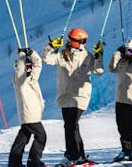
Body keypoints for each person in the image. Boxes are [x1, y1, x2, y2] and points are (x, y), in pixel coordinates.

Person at [44, 28, 104, 166]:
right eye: (82, 41)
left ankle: (72, 156)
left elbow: (98, 71)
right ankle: (79, 155)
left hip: (80, 95)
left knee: (70, 126)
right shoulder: (61, 55)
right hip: (65, 96)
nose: (84, 43)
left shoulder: (88, 56)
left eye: (85, 41)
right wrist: (51, 46)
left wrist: (99, 56)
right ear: (74, 42)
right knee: (73, 126)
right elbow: (46, 58)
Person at [8, 48, 48, 167]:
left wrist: (32, 54)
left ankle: (14, 163)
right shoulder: (20, 80)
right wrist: (21, 55)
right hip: (29, 114)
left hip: (32, 114)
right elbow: (20, 68)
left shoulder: (31, 78)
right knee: (41, 136)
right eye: (27, 65)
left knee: (23, 137)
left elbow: (38, 65)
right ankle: (34, 161)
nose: (30, 67)